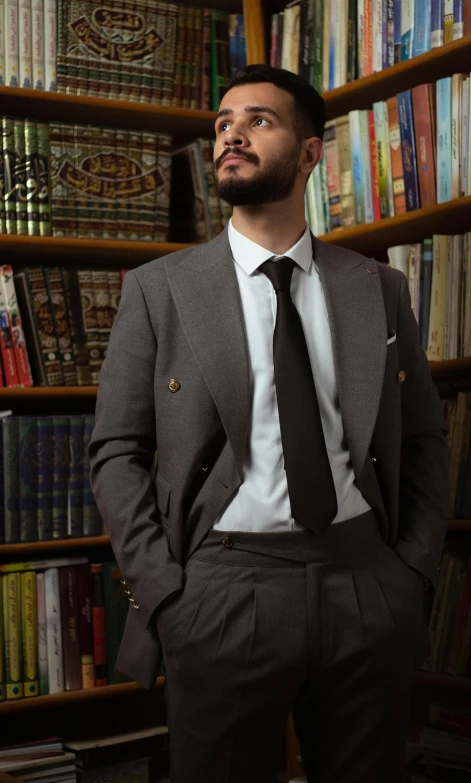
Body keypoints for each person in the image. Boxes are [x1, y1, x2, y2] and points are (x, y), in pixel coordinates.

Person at [88, 64, 450, 783]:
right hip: (221, 590)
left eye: (259, 120)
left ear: (311, 153)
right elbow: (115, 450)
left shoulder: (378, 287)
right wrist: (167, 594)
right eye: (224, 123)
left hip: (365, 584)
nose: (232, 135)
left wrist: (409, 573)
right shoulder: (159, 291)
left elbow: (423, 439)